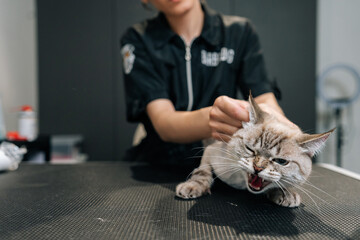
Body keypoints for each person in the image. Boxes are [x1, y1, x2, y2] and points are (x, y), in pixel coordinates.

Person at [121, 0, 289, 164]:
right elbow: (165, 123)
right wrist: (216, 117)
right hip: (159, 163)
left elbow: (264, 98)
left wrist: (280, 125)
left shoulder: (239, 32)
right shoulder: (138, 38)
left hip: (222, 161)